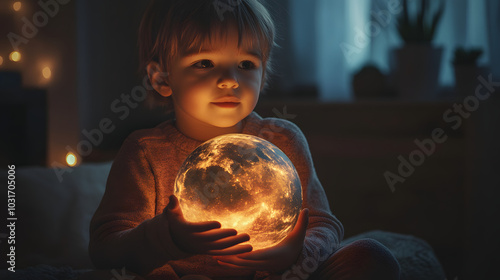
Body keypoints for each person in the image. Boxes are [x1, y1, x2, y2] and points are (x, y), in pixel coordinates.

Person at [88, 0, 401, 279]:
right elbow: (105, 247)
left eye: (246, 65)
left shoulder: (282, 141)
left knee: (371, 256)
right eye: (204, 63)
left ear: (263, 75)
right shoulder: (145, 152)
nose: (229, 80)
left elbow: (323, 224)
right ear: (161, 77)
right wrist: (168, 237)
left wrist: (295, 255)